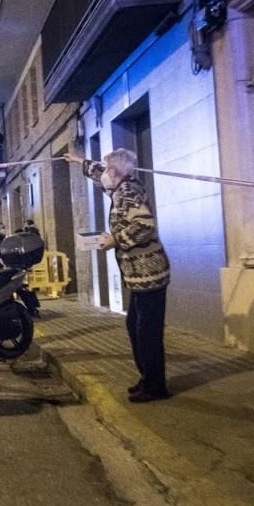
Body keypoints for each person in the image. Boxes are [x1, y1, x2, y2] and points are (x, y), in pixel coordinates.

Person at [67, 148, 171, 402]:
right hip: (140, 277)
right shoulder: (121, 187)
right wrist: (79, 161)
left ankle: (155, 386)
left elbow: (145, 226)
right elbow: (98, 174)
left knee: (146, 332)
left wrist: (116, 240)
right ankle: (148, 378)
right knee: (135, 326)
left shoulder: (128, 193)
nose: (103, 172)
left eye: (107, 168)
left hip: (150, 274)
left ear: (116, 172)